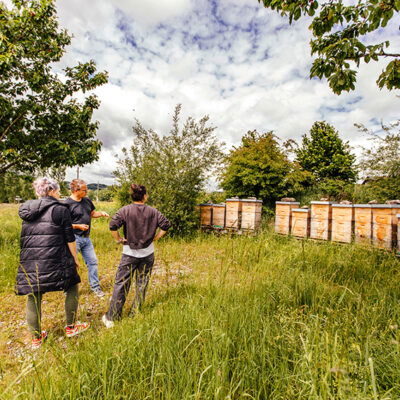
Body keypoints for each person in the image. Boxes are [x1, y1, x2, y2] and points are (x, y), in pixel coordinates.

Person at [16, 177, 89, 350]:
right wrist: (75, 259)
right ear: (52, 191)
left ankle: (36, 338)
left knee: (34, 294)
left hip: (31, 258)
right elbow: (69, 237)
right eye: (57, 190)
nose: (58, 193)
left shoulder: (27, 209)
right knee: (72, 285)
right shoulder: (60, 209)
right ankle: (71, 327)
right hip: (57, 257)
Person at [102, 184, 171, 328]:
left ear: (132, 196)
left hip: (129, 253)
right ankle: (135, 313)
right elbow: (166, 225)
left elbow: (113, 225)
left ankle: (112, 317)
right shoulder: (153, 211)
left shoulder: (125, 210)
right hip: (148, 254)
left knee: (121, 284)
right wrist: (155, 238)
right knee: (142, 283)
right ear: (145, 196)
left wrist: (118, 239)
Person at [64, 179, 109, 297]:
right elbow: (63, 224)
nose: (86, 192)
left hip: (86, 238)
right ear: (75, 190)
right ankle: (68, 290)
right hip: (73, 239)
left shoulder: (87, 200)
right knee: (71, 264)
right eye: (84, 190)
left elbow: (92, 214)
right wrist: (77, 226)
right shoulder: (66, 204)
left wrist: (101, 213)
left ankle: (95, 287)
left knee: (93, 262)